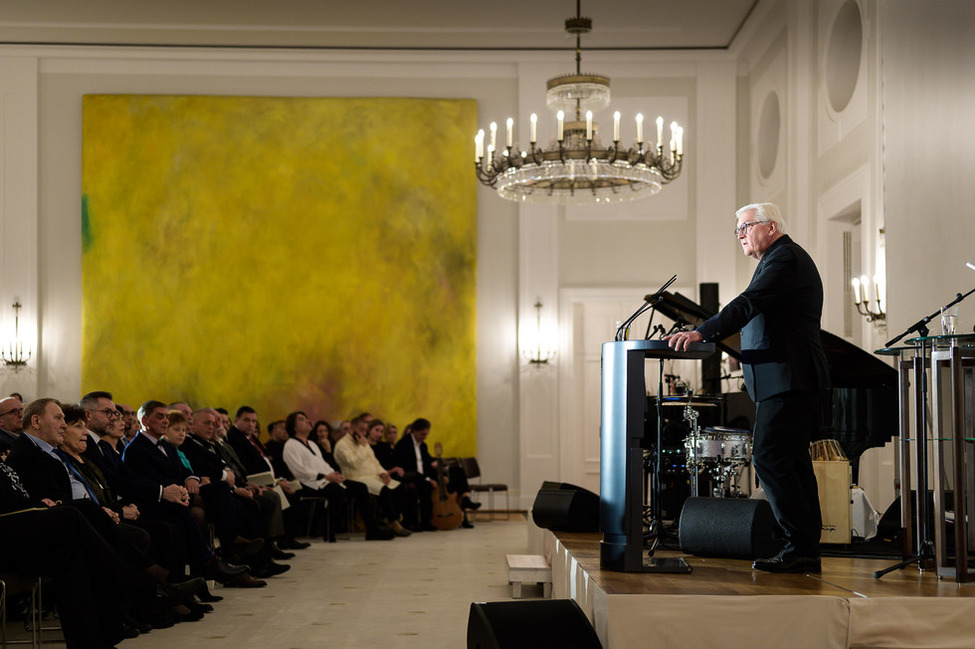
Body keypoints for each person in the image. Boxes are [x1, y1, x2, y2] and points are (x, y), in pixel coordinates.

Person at [665, 202, 829, 574]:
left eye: (745, 227)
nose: (740, 234)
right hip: (786, 379)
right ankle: (804, 548)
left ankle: (798, 547)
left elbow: (749, 304)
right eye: (737, 229)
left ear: (770, 227)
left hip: (789, 380)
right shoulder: (776, 261)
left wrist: (702, 331)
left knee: (770, 457)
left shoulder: (784, 259)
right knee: (791, 463)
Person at [282, 410, 394, 541]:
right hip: (307, 483)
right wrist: (325, 476)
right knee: (337, 491)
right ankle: (328, 531)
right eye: (302, 419)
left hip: (326, 479)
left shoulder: (312, 444)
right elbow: (299, 470)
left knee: (361, 488)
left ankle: (372, 529)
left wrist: (335, 474)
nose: (307, 420)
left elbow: (322, 464)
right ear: (293, 427)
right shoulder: (290, 445)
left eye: (307, 418)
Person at [333, 418, 411, 537]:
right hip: (357, 478)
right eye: (361, 430)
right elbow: (353, 463)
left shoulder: (363, 442)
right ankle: (394, 523)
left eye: (365, 430)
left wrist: (383, 473)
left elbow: (375, 461)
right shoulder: (342, 445)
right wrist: (363, 447)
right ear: (351, 429)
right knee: (383, 490)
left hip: (373, 476)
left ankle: (390, 520)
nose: (364, 433)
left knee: (400, 488)